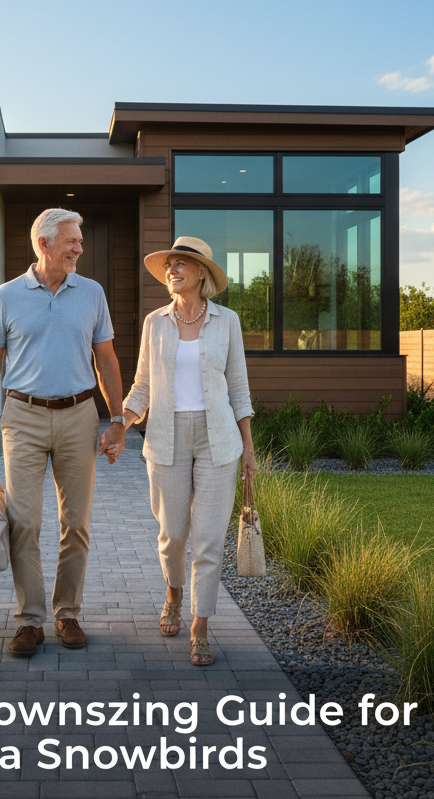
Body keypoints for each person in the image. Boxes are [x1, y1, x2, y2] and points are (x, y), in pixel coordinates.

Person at [0, 208, 127, 656]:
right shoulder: (7, 295)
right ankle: (30, 620)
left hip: (79, 415)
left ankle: (68, 613)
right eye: (71, 241)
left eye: (80, 240)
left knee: (75, 522)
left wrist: (117, 420)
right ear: (44, 244)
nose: (79, 247)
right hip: (23, 417)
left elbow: (107, 359)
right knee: (24, 522)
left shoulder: (92, 293)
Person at [121, 236, 257, 666]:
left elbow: (238, 388)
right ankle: (173, 593)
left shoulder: (227, 321)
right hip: (166, 435)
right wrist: (119, 423)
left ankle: (200, 626)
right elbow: (142, 385)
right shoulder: (154, 323)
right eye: (170, 264)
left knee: (208, 540)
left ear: (202, 274)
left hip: (218, 438)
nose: (173, 270)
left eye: (183, 264)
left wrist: (249, 451)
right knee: (173, 534)